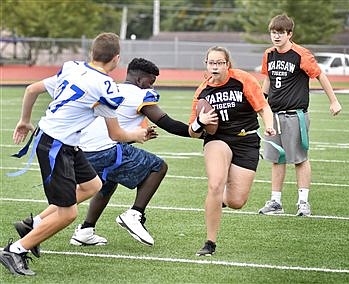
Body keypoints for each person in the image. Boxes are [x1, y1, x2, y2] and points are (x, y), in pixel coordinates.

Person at [0, 33, 148, 276]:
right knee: (68, 213)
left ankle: (34, 226)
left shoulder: (72, 68)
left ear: (92, 53)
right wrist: (137, 135)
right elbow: (116, 135)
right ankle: (15, 250)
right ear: (116, 59)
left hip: (62, 142)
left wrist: (24, 121)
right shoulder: (106, 86)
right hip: (56, 145)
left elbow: (32, 89)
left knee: (92, 185)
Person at [69, 57, 204, 247]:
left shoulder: (112, 88)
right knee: (158, 166)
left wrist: (133, 137)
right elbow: (168, 124)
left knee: (107, 184)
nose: (152, 87)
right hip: (105, 150)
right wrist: (199, 130)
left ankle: (85, 230)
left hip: (84, 150)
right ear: (141, 80)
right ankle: (135, 214)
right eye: (151, 82)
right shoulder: (140, 95)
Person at [188, 46, 276, 256]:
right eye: (211, 63)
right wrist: (201, 122)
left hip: (246, 140)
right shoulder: (202, 92)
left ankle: (219, 201)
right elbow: (192, 131)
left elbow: (263, 107)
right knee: (215, 184)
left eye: (219, 63)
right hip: (217, 140)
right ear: (206, 65)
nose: (215, 67)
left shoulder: (242, 80)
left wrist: (269, 125)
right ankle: (210, 242)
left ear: (227, 64)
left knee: (237, 201)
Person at [258, 14, 342, 216]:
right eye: (273, 33)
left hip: (295, 114)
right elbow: (268, 80)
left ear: (289, 34)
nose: (276, 37)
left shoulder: (301, 54)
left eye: (280, 33)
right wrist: (260, 103)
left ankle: (303, 201)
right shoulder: (269, 54)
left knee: (299, 158)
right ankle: (276, 201)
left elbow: (320, 75)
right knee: (277, 158)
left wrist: (334, 100)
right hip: (274, 115)